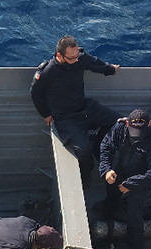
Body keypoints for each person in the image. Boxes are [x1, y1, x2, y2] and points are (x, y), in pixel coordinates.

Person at [30, 35, 120, 180]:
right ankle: (86, 177)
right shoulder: (47, 72)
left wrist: (109, 69)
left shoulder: (79, 58)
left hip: (85, 107)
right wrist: (45, 114)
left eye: (77, 55)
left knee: (117, 122)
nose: (76, 60)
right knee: (84, 152)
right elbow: (35, 93)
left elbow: (94, 63)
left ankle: (99, 147)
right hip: (66, 117)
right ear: (59, 55)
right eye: (71, 58)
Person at [90, 109, 151, 249]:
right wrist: (106, 170)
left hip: (143, 178)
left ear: (149, 125)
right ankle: (110, 208)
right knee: (111, 188)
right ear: (127, 123)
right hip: (123, 168)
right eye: (132, 130)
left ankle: (136, 246)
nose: (135, 135)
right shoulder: (119, 128)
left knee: (134, 212)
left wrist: (131, 184)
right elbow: (106, 146)